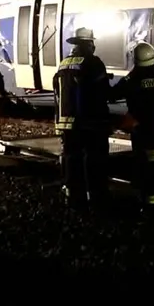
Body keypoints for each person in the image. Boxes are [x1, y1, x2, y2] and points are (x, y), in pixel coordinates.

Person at [108, 42, 154, 214]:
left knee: (147, 172)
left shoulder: (133, 80)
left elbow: (113, 95)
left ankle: (150, 207)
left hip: (144, 134)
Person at [53, 27, 111, 207]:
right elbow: (103, 92)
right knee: (94, 160)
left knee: (71, 158)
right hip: (89, 123)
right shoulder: (93, 63)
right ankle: (95, 198)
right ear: (89, 44)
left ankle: (72, 196)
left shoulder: (64, 63)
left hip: (66, 123)